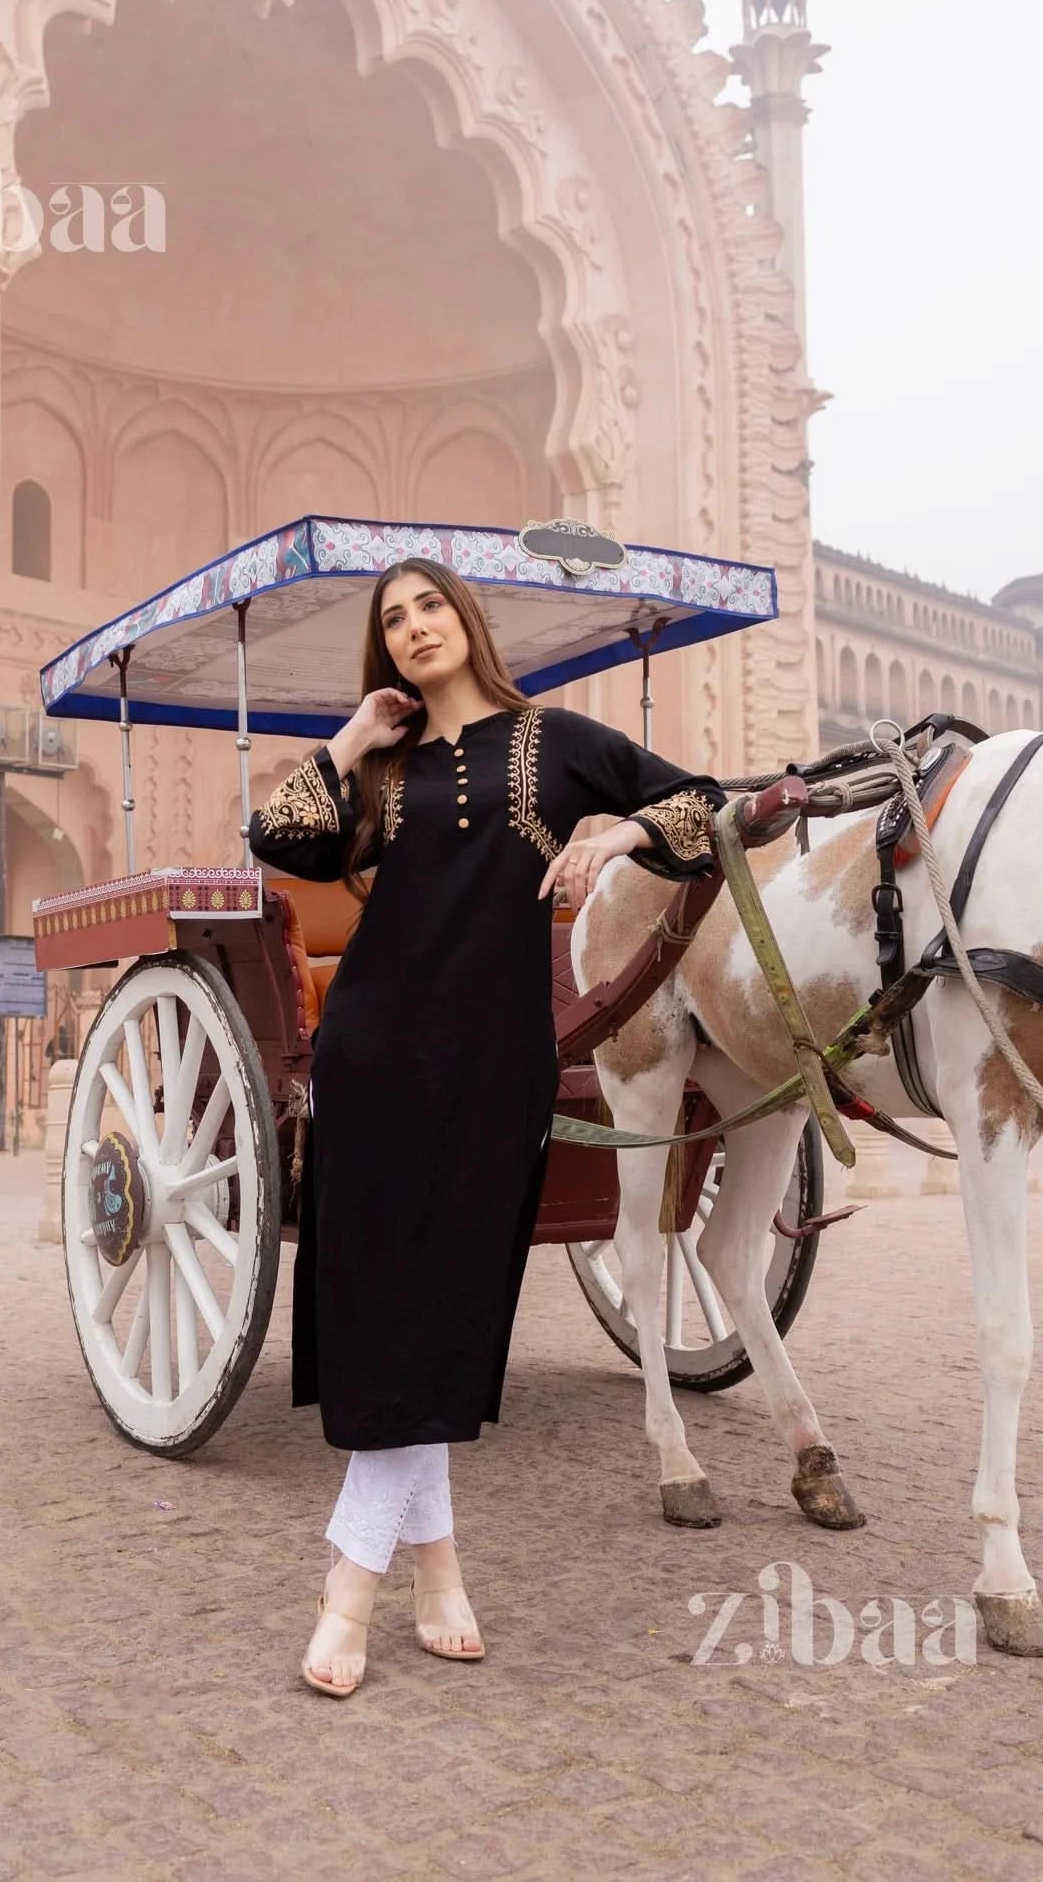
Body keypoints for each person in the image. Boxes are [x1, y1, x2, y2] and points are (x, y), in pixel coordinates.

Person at [248, 557, 725, 1697]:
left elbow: (702, 806)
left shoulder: (556, 743)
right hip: (373, 1052)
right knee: (385, 1315)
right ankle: (415, 1577)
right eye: (393, 620)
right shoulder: (384, 768)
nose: (414, 629)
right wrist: (351, 739)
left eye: (429, 608)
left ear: (468, 620)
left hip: (492, 1060)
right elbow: (281, 839)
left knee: (449, 1309)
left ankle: (358, 1581)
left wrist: (619, 839)